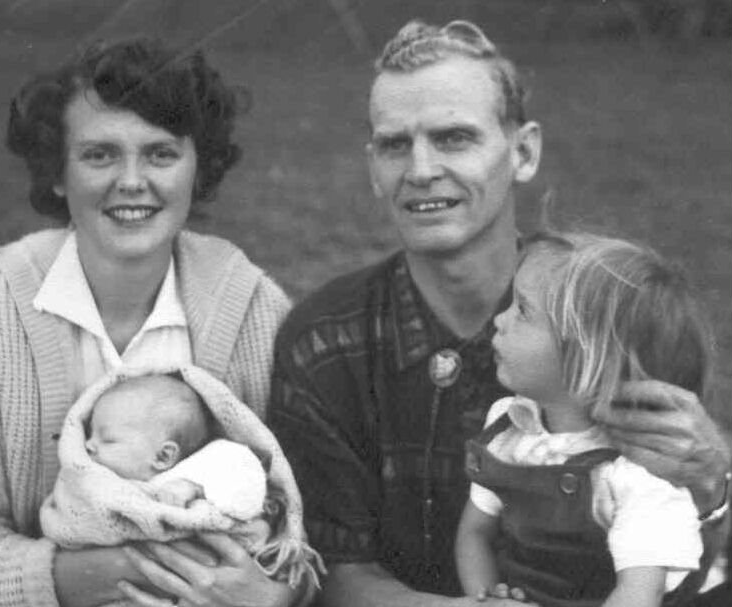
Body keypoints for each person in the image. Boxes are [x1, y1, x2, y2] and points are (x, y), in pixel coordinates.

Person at [267, 18, 731, 607]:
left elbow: (681, 553)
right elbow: (332, 568)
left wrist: (712, 483)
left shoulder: (603, 315)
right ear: (372, 170)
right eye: (393, 145)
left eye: (454, 137)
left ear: (524, 152)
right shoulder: (324, 338)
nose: (420, 169)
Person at [0, 37, 309, 607]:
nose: (131, 180)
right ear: (56, 173)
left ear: (199, 170)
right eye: (99, 155)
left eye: (161, 154)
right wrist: (122, 568)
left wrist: (278, 595)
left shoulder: (254, 311)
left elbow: (307, 531)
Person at [456, 231, 710, 607]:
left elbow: (639, 594)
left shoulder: (636, 476)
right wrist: (485, 598)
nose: (499, 320)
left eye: (523, 311)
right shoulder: (508, 428)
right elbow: (474, 534)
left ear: (590, 360)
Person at [40, 367, 319, 586]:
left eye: (108, 439)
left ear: (163, 457)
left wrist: (192, 488)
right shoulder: (97, 480)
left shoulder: (204, 465)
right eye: (90, 434)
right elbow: (69, 520)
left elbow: (245, 487)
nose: (88, 446)